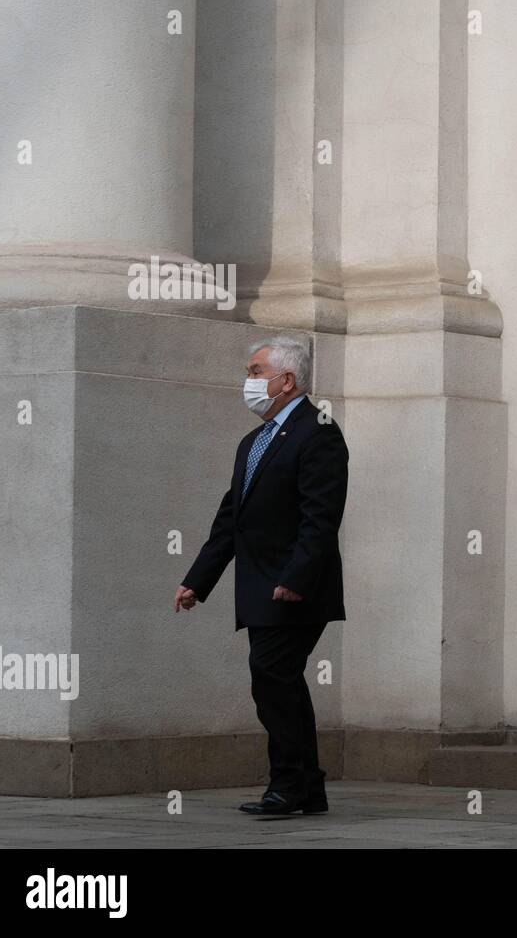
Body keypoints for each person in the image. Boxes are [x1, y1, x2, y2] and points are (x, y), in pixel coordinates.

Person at [175, 337, 349, 815]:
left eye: (255, 371)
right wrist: (198, 580)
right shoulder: (253, 442)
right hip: (259, 586)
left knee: (272, 676)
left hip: (295, 588)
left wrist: (295, 577)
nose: (248, 381)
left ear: (286, 380)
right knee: (276, 680)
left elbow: (321, 517)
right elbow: (232, 519)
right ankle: (305, 787)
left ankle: (291, 785)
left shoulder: (319, 431)